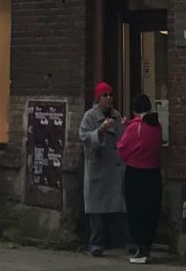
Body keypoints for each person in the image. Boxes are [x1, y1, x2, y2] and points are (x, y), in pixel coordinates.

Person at [78, 82, 125, 257]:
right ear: (98, 98)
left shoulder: (117, 116)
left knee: (117, 206)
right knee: (97, 209)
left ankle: (118, 241)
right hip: (98, 168)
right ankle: (95, 243)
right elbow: (84, 138)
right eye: (104, 95)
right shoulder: (89, 117)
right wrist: (100, 131)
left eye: (110, 95)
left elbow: (122, 138)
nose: (108, 98)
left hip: (114, 168)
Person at [116, 93, 163, 264]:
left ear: (134, 109)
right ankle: (147, 247)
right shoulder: (157, 125)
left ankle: (140, 250)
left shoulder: (134, 128)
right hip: (153, 172)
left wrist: (125, 128)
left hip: (136, 173)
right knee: (150, 211)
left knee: (136, 212)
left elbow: (123, 149)